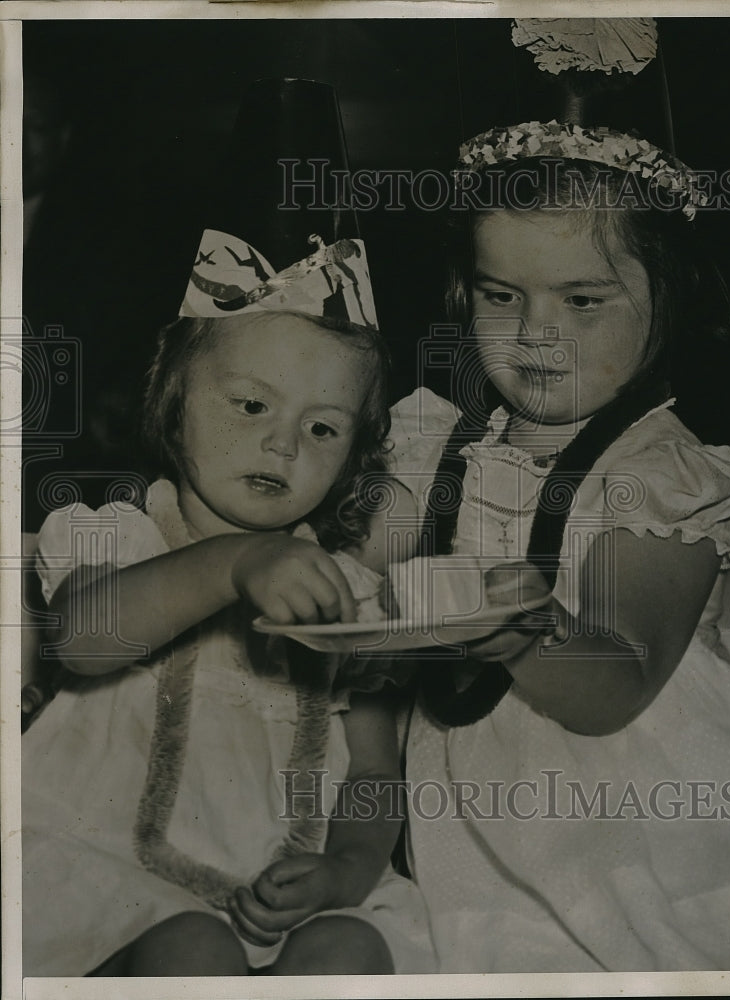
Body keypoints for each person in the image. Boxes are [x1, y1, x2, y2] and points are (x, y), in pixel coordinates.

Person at [387, 121, 730, 971]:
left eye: (581, 301)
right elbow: (368, 583)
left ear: (666, 298)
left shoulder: (664, 473)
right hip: (467, 824)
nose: (534, 334)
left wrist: (516, 625)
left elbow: (613, 689)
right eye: (500, 296)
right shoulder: (427, 445)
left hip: (645, 825)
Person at [22, 230, 433, 977]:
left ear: (356, 455)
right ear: (171, 402)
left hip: (292, 885)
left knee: (352, 950)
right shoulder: (117, 537)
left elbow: (373, 773)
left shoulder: (352, 596)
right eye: (250, 405)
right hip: (114, 880)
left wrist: (343, 868)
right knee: (190, 949)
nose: (282, 447)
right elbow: (82, 640)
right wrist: (234, 563)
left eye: (322, 428)